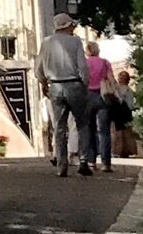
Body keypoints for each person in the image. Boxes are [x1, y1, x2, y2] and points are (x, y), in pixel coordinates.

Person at [37, 12, 91, 178]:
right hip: (74, 83)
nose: (73, 28)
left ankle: (62, 166)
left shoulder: (46, 43)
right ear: (67, 26)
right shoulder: (75, 41)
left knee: (59, 127)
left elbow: (38, 67)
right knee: (82, 123)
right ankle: (83, 161)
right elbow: (82, 65)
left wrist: (43, 83)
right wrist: (85, 83)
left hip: (55, 85)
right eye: (72, 25)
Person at [84, 38, 118, 173]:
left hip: (87, 96)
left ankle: (91, 161)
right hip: (103, 96)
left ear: (87, 51)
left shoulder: (84, 63)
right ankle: (106, 163)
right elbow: (111, 79)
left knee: (89, 129)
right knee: (104, 131)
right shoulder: (105, 63)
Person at [111, 65, 139, 159]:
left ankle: (118, 151)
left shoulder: (116, 89)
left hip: (118, 112)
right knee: (127, 132)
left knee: (118, 132)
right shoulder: (129, 90)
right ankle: (127, 151)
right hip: (126, 113)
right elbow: (131, 104)